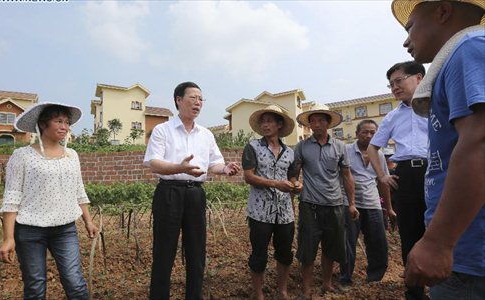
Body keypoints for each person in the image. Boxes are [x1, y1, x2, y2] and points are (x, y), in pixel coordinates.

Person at [391, 1, 485, 298]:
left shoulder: (469, 48)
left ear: (442, 13)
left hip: (470, 255)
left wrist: (438, 242)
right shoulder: (463, 56)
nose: (406, 40)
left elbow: (479, 142)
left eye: (411, 27)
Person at [143, 81, 240, 300]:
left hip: (196, 194)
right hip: (169, 193)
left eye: (200, 99)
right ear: (178, 100)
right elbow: (153, 163)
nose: (198, 103)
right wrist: (180, 167)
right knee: (164, 252)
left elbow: (213, 164)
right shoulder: (162, 130)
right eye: (193, 98)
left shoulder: (206, 134)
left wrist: (225, 169)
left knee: (197, 252)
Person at [0, 102, 98, 299]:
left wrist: (88, 221)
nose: (65, 127)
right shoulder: (22, 156)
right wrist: (8, 238)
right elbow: (11, 197)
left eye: (67, 122)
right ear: (43, 124)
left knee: (75, 283)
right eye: (58, 121)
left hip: (65, 229)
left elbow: (79, 190)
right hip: (29, 230)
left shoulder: (72, 155)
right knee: (35, 287)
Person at [366, 61, 428, 300]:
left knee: (440, 227)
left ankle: (448, 286)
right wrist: (382, 175)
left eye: (399, 81)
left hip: (436, 171)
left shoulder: (437, 107)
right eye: (391, 84)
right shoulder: (392, 117)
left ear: (419, 78)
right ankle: (414, 291)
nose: (394, 87)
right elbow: (373, 149)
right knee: (410, 234)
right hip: (406, 177)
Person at [291, 104, 359, 299]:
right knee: (307, 249)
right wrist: (295, 183)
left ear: (328, 123)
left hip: (335, 205)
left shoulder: (340, 147)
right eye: (313, 121)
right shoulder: (302, 147)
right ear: (309, 124)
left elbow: (347, 176)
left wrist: (352, 203)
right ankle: (306, 290)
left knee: (330, 248)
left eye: (321, 120)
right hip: (309, 205)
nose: (316, 124)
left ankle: (327, 284)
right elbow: (294, 174)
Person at [242, 105, 302, 300]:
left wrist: (296, 185)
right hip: (260, 212)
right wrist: (275, 183)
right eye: (263, 121)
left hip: (285, 213)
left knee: (284, 253)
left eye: (270, 121)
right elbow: (249, 177)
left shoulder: (290, 152)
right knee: (259, 254)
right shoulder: (253, 147)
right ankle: (258, 294)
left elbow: (293, 177)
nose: (265, 125)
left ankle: (282, 290)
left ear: (279, 125)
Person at [339, 120, 396, 288]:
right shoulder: (346, 151)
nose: (369, 136)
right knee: (348, 243)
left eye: (373, 132)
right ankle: (345, 278)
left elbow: (382, 181)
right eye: (365, 132)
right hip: (350, 203)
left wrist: (389, 208)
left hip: (373, 204)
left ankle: (375, 278)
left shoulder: (379, 155)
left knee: (378, 242)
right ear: (357, 134)